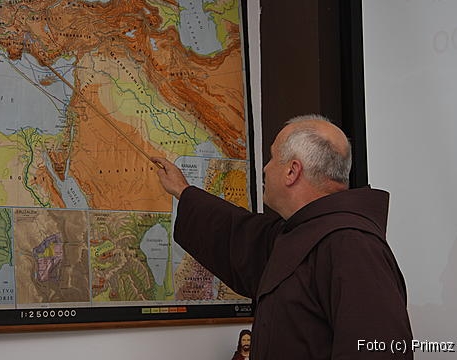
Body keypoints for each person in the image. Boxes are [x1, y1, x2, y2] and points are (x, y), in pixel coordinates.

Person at [152, 114, 413, 359]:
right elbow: (241, 234)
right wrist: (184, 192)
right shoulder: (304, 232)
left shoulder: (352, 245)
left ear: (292, 171)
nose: (265, 168)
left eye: (272, 157)